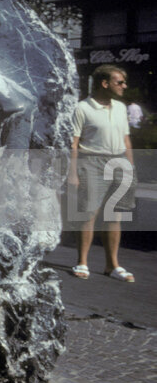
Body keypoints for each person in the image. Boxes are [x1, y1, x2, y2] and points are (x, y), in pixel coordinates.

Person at [68, 64, 136, 282]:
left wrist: (131, 168)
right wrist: (72, 173)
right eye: (120, 82)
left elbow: (126, 140)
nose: (124, 86)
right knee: (89, 214)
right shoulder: (82, 108)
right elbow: (74, 143)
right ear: (104, 83)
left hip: (119, 162)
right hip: (92, 162)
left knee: (114, 215)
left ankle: (112, 265)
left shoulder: (120, 108)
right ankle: (82, 262)